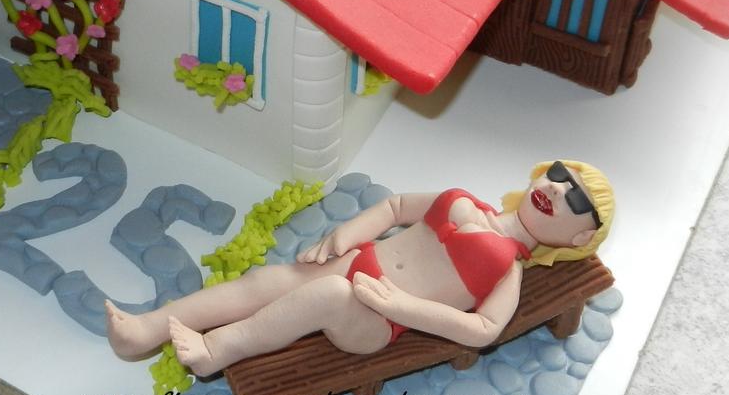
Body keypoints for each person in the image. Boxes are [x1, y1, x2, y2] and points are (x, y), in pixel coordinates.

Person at [106, 160, 614, 377]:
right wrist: (347, 234)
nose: (556, 190)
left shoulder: (510, 270)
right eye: (558, 176)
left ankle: (216, 351)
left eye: (575, 200)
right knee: (265, 281)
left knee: (328, 296)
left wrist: (404, 306)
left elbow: (484, 330)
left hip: (375, 319)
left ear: (580, 238)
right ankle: (146, 329)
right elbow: (396, 208)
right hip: (356, 262)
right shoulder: (466, 200)